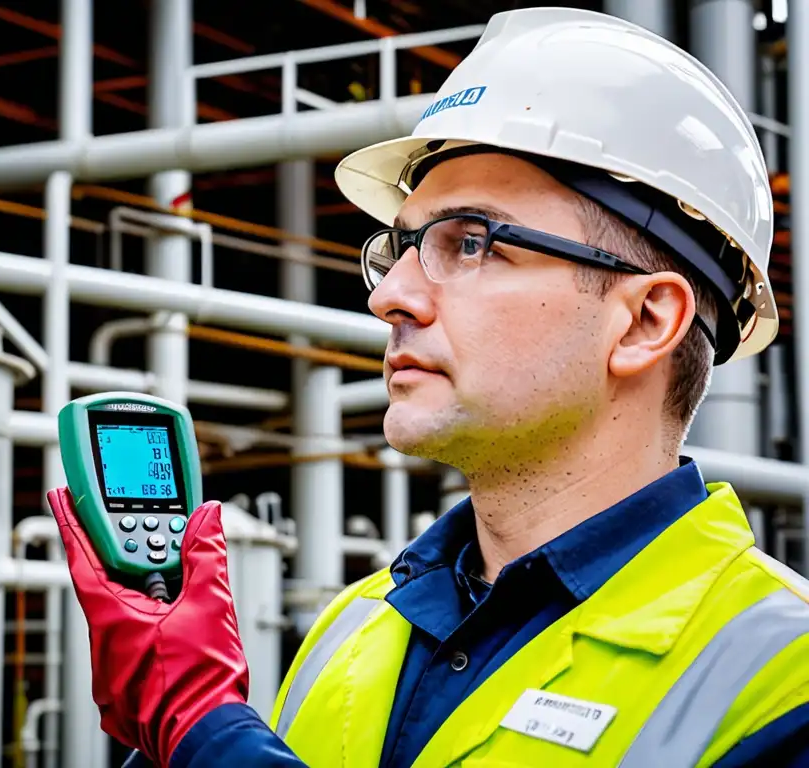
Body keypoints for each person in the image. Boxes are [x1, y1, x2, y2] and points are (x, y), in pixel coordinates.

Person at [47, 7, 809, 767]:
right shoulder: (354, 627)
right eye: (402, 247)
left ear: (646, 320)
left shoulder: (780, 673)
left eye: (472, 242)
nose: (390, 297)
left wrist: (201, 729)